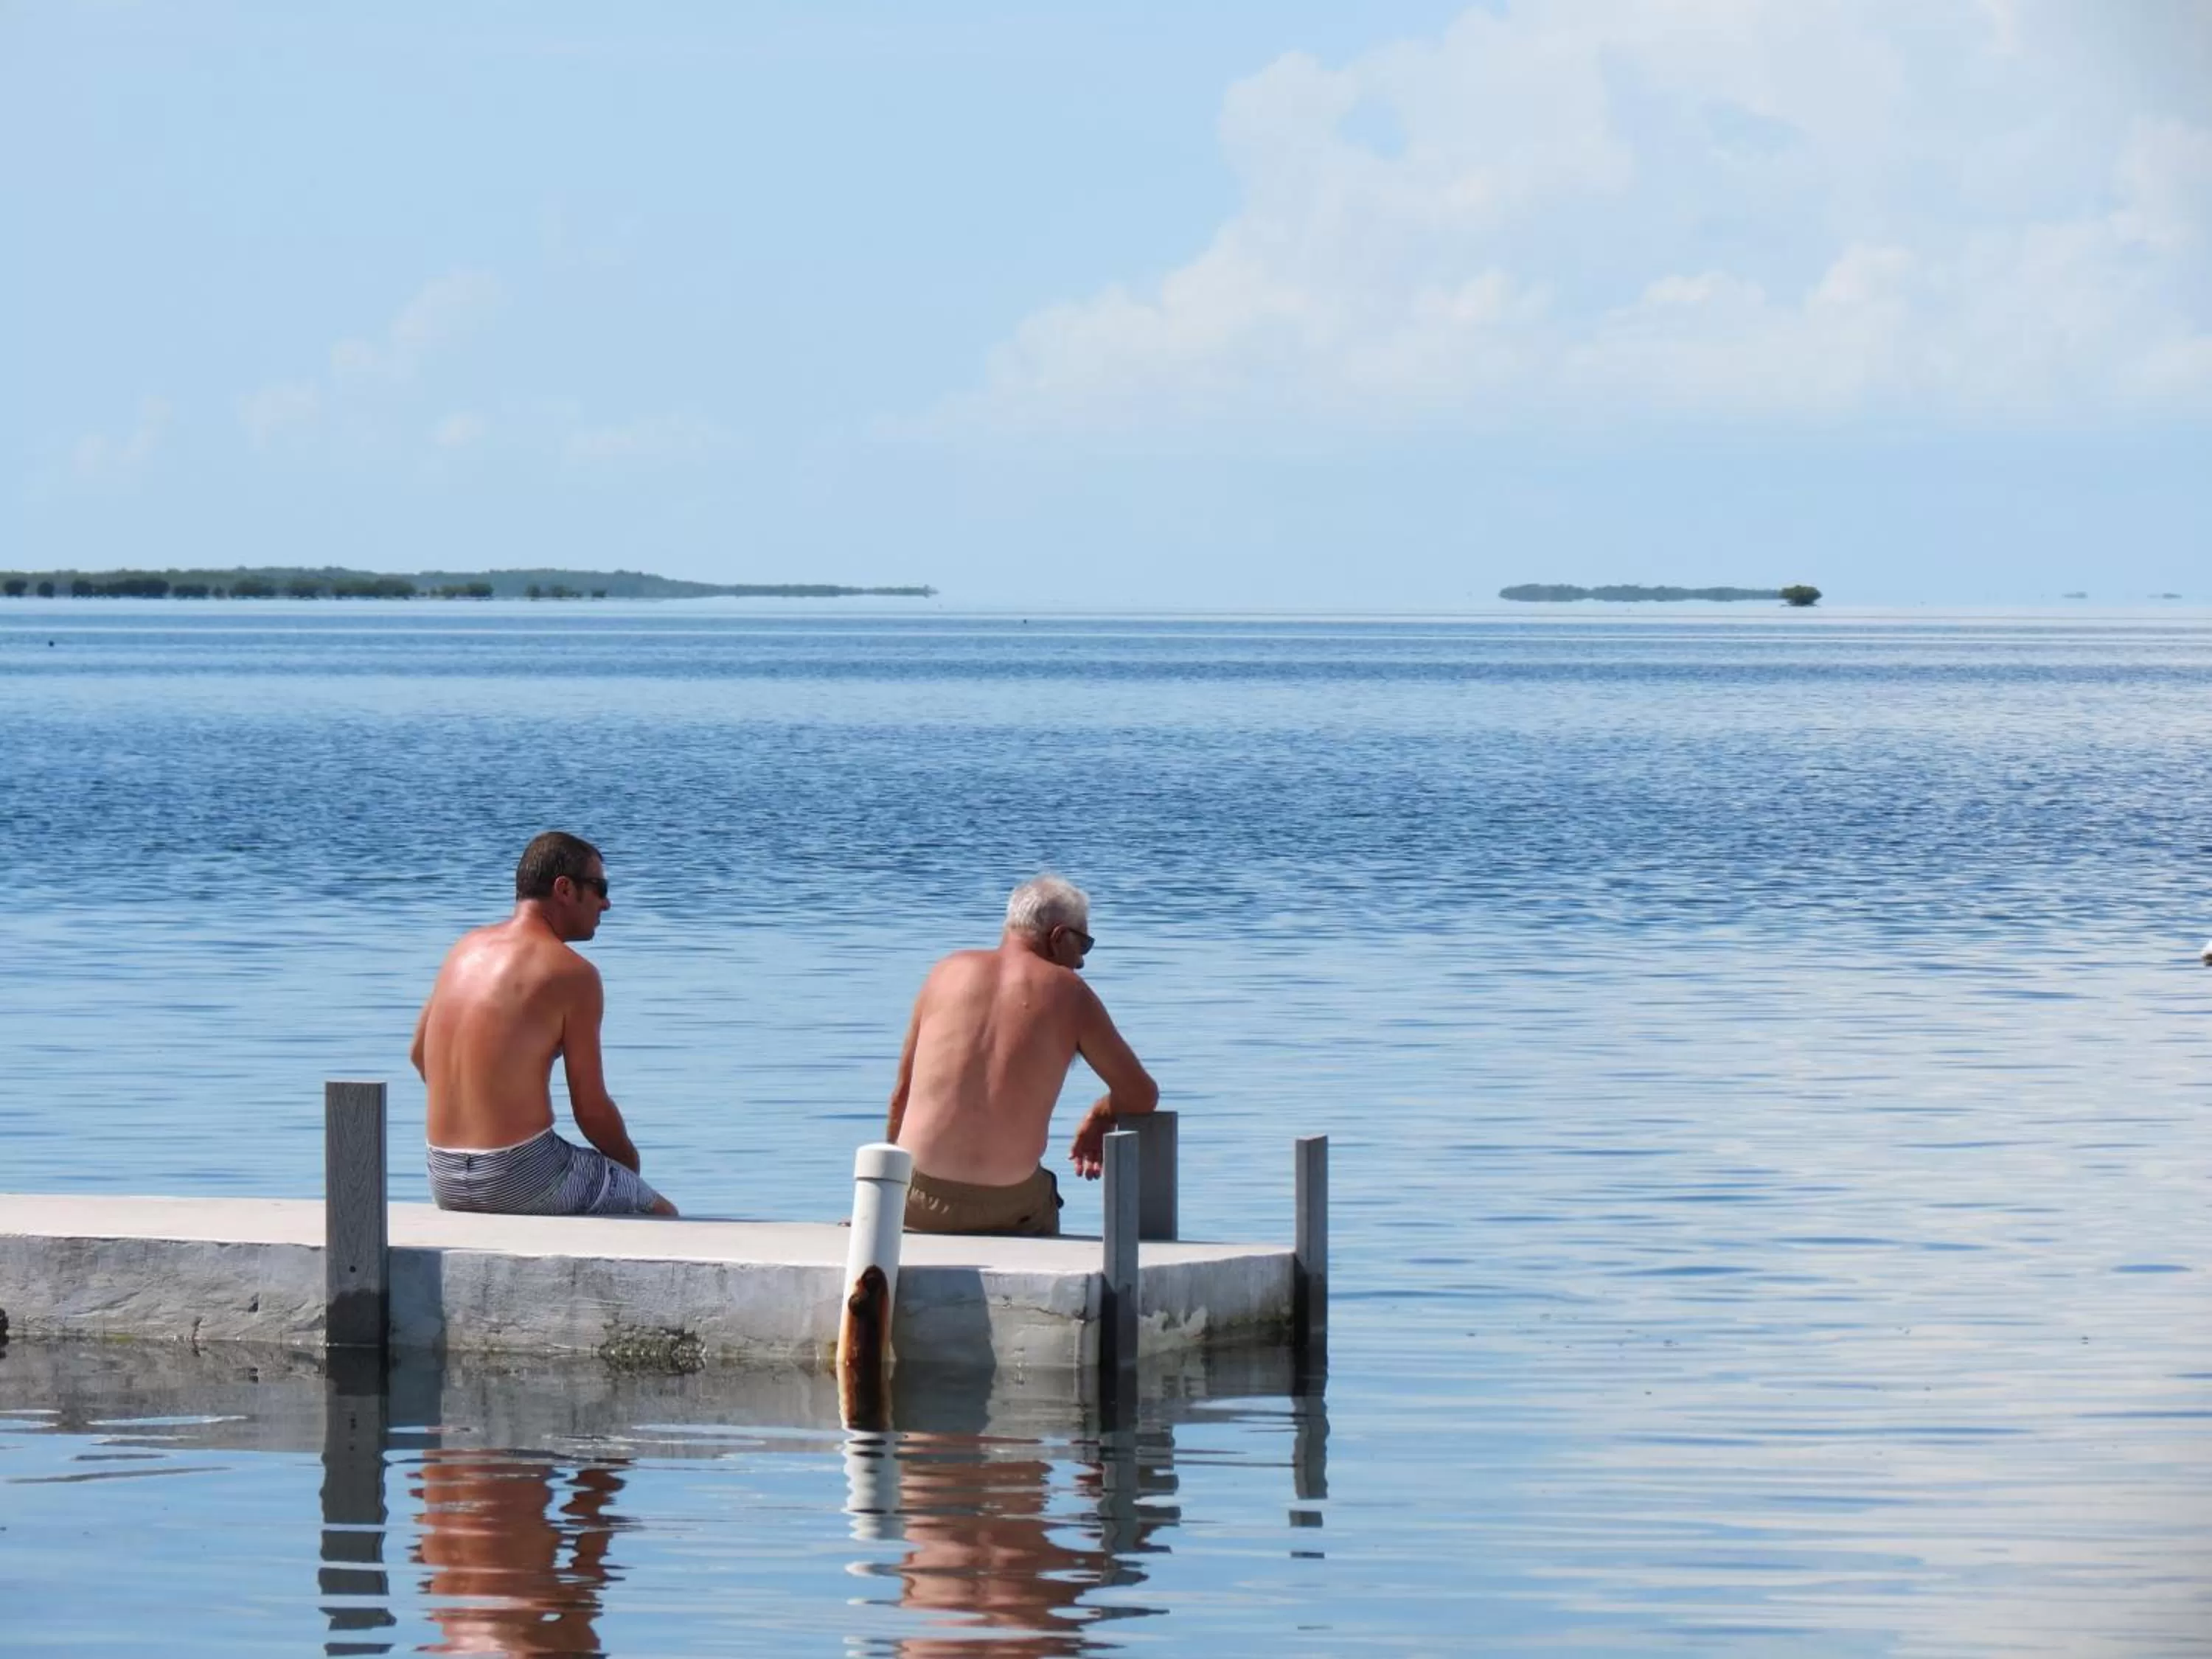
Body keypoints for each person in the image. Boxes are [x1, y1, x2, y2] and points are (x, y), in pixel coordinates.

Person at [410, 831, 677, 1217]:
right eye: (600, 887)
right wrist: (628, 1169)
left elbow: (420, 1056)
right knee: (657, 1212)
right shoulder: (573, 974)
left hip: (444, 1176)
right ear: (565, 889)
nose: (607, 903)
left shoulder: (463, 950)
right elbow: (591, 1108)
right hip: (519, 1172)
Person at [886, 874, 1158, 1237]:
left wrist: (883, 1200)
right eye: (1085, 945)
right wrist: (1100, 1114)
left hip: (917, 1202)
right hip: (1009, 1207)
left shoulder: (944, 973)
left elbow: (901, 1096)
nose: (1081, 962)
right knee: (1042, 1191)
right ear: (1059, 936)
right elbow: (1142, 1095)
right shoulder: (1071, 993)